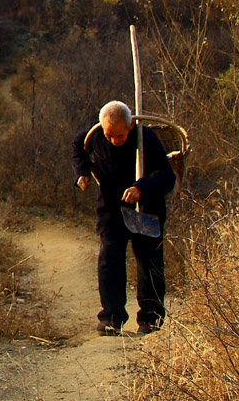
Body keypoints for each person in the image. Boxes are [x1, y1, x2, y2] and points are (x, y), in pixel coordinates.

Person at [71, 100, 176, 336]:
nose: (113, 140)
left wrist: (143, 187)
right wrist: (83, 173)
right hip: (111, 209)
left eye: (119, 136)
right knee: (110, 260)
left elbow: (167, 177)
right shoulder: (95, 135)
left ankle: (151, 319)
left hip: (145, 210)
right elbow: (78, 146)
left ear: (129, 128)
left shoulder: (145, 138)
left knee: (149, 263)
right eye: (109, 135)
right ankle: (111, 317)